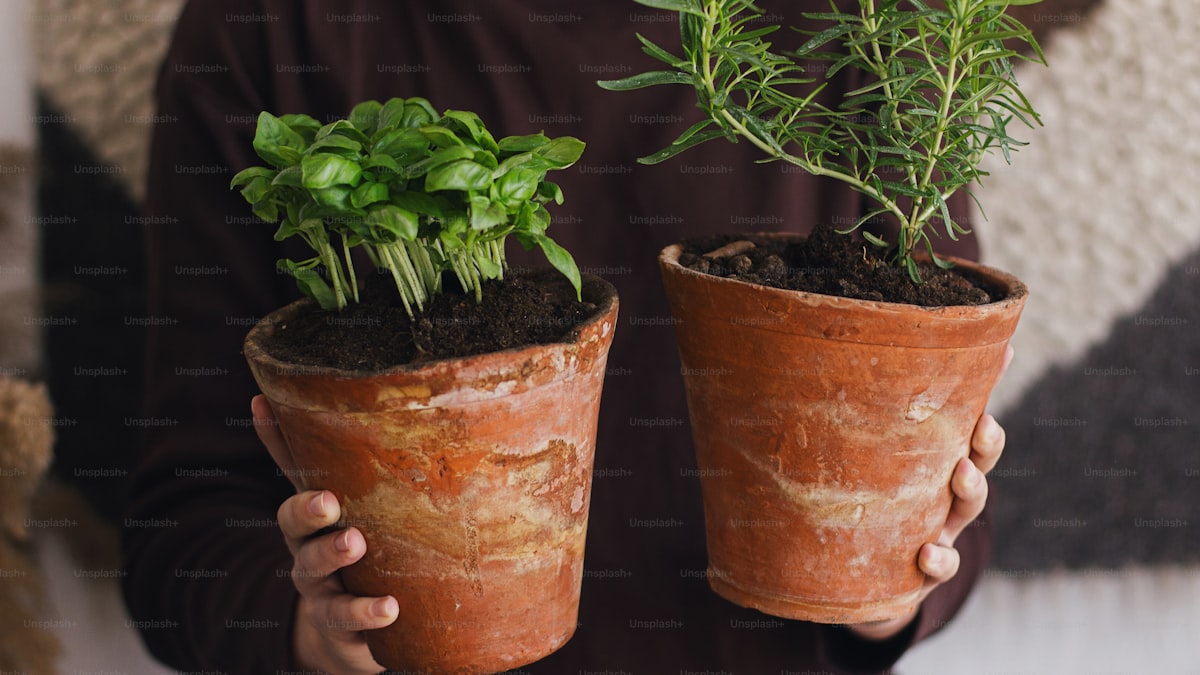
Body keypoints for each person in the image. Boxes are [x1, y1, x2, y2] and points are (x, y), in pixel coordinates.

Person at [123, 1, 1010, 673]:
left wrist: (890, 574)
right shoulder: (271, 26)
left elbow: (955, 506)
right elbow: (180, 532)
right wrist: (313, 634)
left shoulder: (870, 32)